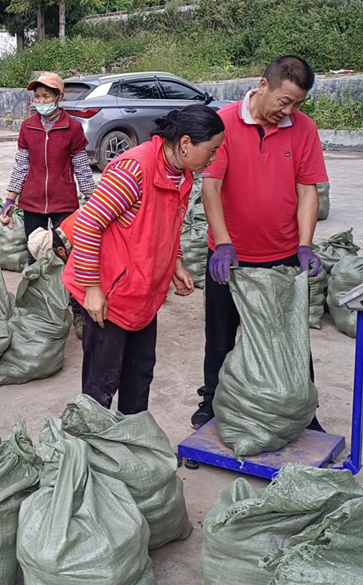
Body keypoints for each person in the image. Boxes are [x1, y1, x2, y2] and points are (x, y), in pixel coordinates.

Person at [191, 55, 328, 429]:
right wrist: (222, 243)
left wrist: (305, 244)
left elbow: (307, 190)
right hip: (230, 259)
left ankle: (303, 409)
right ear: (263, 85)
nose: (289, 110)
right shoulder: (225, 123)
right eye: (284, 101)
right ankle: (212, 402)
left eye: (297, 104)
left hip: (282, 257)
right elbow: (211, 186)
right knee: (219, 338)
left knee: (289, 338)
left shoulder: (303, 129)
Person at [63, 105, 225, 415]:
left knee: (139, 373)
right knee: (102, 382)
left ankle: (131, 446)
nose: (214, 158)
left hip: (143, 294)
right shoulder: (133, 170)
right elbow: (87, 225)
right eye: (212, 149)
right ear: (186, 143)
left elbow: (169, 223)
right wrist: (91, 289)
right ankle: (92, 453)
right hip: (109, 294)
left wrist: (175, 261)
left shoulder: (182, 174)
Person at [1, 71, 96, 338]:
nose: (41, 100)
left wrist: (91, 200)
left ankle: (77, 311)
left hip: (64, 202)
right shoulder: (27, 127)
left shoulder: (72, 128)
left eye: (46, 96)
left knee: (70, 256)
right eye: (37, 96)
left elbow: (82, 168)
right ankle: (38, 311)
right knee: (35, 256)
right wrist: (10, 200)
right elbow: (21, 165)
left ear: (58, 97)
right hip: (31, 202)